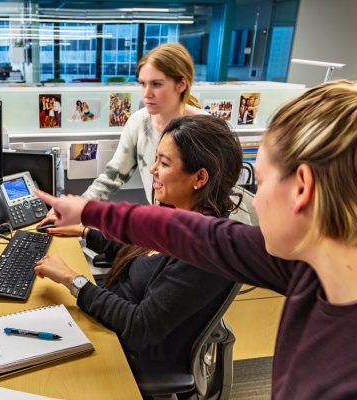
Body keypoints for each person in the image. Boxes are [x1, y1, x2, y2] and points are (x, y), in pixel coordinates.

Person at [35, 80, 357, 398]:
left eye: (260, 181)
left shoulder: (341, 374)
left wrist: (75, 277)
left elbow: (145, 316)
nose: (254, 201)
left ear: (302, 188)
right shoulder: (306, 268)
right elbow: (179, 232)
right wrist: (88, 219)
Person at [34, 115, 243, 377]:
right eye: (155, 158)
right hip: (106, 323)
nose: (153, 169)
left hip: (128, 355)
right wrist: (85, 232)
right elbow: (136, 253)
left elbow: (139, 326)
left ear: (199, 177)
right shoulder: (176, 217)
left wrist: (70, 279)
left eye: (164, 163)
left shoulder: (204, 252)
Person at [45, 43, 207, 213]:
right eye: (143, 84)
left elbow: (225, 193)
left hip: (205, 229)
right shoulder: (139, 122)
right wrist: (73, 208)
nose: (146, 93)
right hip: (162, 225)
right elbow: (111, 177)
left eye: (157, 84)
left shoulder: (207, 128)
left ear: (181, 84)